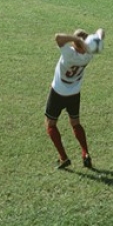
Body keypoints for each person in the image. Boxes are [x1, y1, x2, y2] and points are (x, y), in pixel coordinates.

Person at [44, 28, 105, 169]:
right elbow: (101, 30)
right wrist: (97, 39)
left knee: (50, 125)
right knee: (75, 123)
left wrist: (76, 39)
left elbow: (57, 36)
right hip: (74, 93)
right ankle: (85, 153)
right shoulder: (90, 53)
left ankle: (63, 158)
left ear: (73, 44)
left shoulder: (69, 53)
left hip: (58, 93)